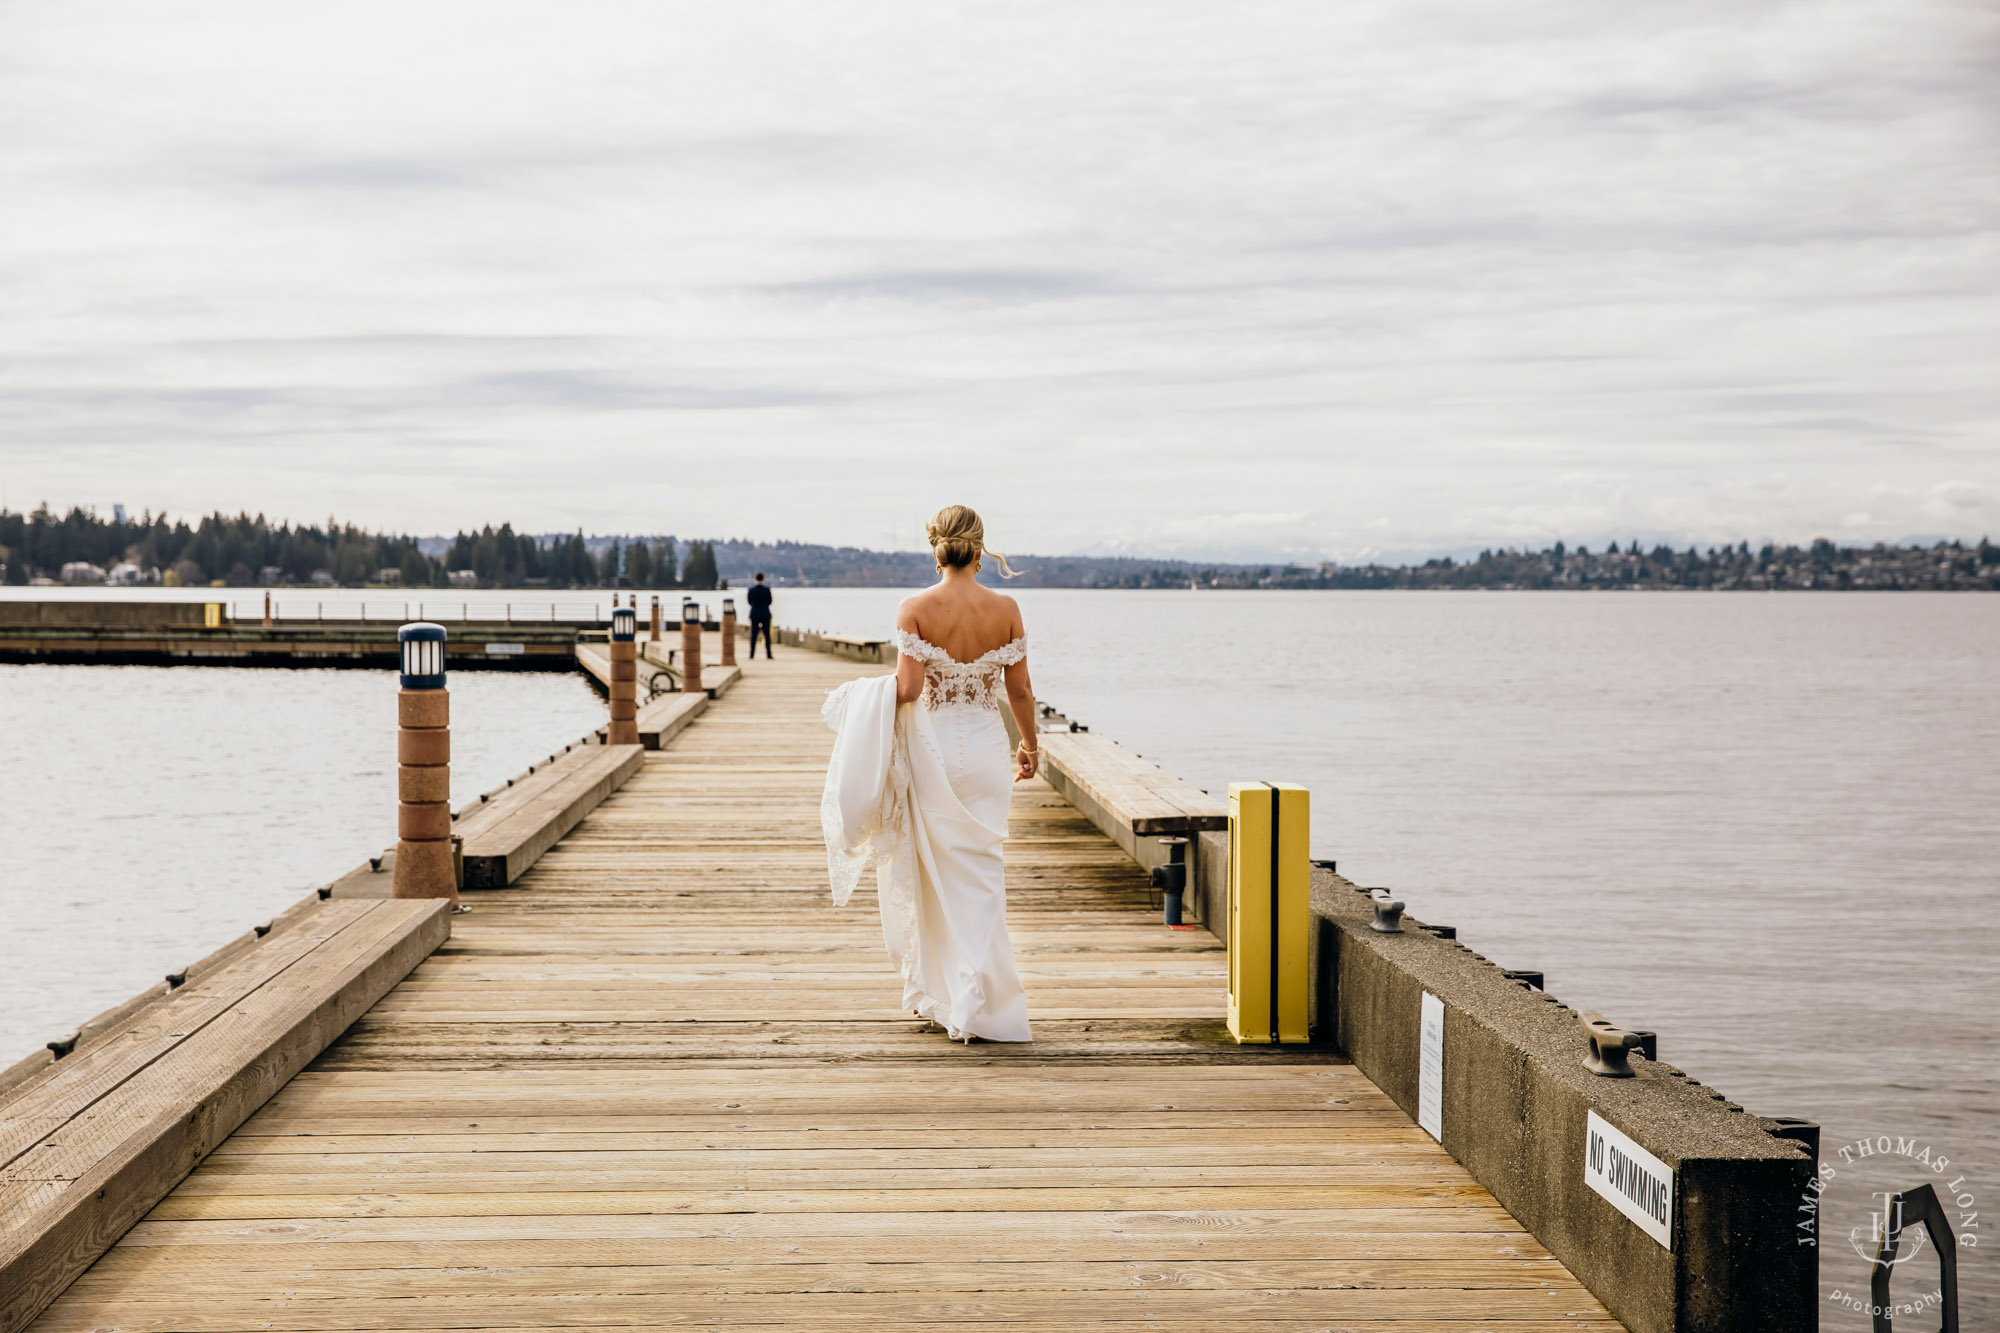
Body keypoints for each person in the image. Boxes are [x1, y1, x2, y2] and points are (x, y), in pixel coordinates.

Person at [820, 505, 1036, 1043]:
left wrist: (856, 699)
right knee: (984, 875)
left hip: (935, 749)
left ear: (935, 545)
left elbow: (910, 690)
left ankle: (953, 997)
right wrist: (1030, 744)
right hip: (987, 748)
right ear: (981, 547)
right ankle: (991, 1005)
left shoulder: (914, 608)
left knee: (935, 878)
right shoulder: (1006, 607)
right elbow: (1020, 691)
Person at [745, 572, 773, 658]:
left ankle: (752, 654)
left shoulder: (751, 590)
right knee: (767, 635)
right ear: (763, 579)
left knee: (753, 635)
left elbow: (749, 601)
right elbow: (770, 601)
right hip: (765, 614)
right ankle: (769, 654)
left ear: (755, 579)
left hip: (754, 614)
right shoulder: (767, 590)